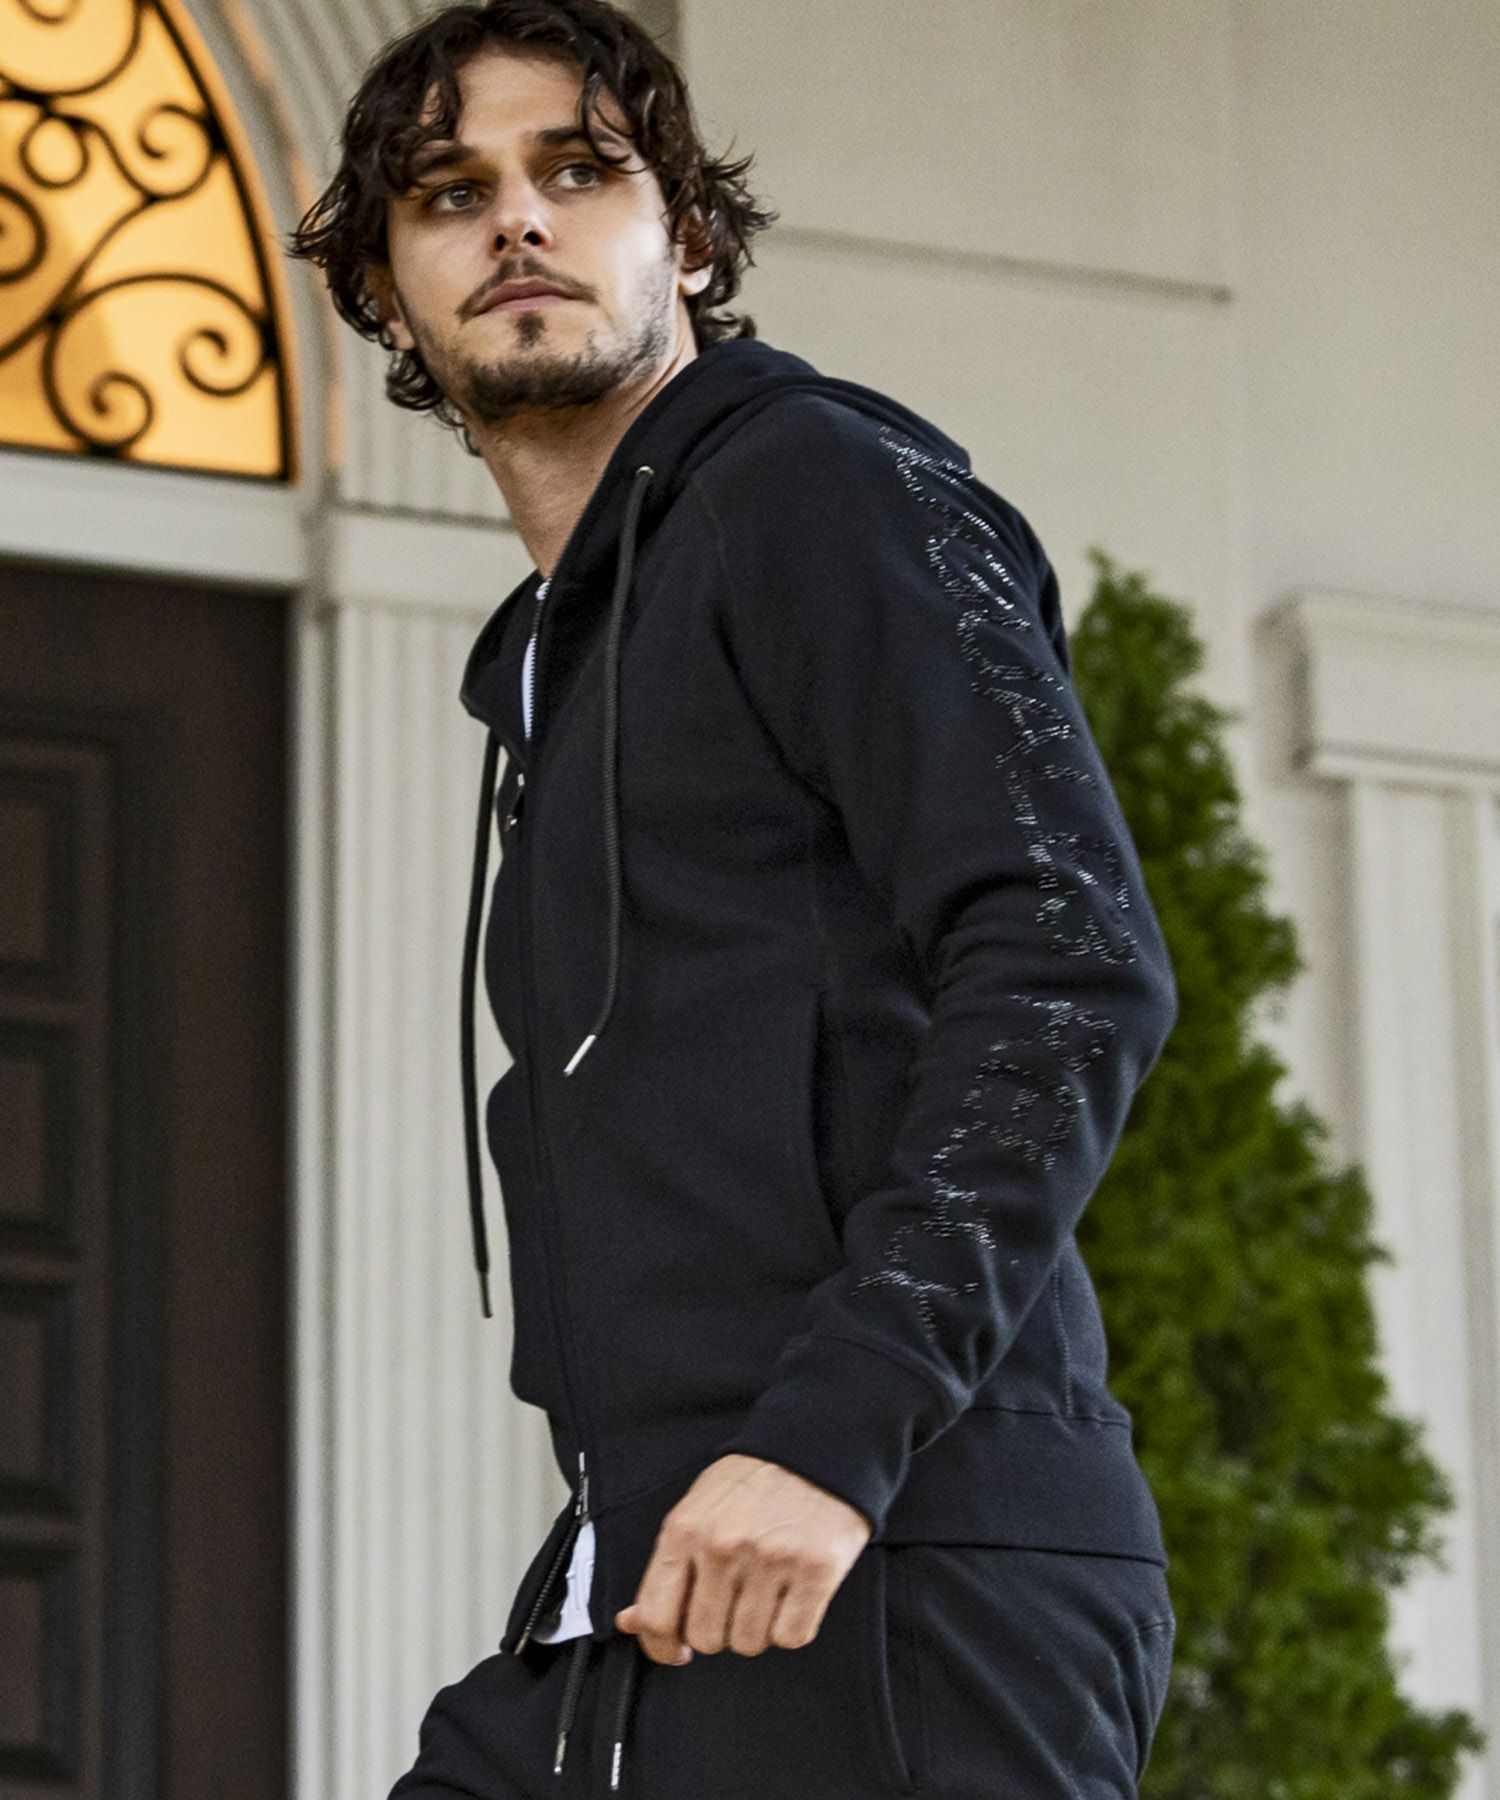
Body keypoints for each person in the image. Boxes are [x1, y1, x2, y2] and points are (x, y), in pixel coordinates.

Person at [288, 2, 1181, 1793]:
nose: (519, 218)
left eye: (580, 170)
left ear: (688, 235)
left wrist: (837, 1438)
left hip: (900, 1553)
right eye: (451, 193)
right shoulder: (563, 657)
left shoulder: (822, 489)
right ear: (385, 294)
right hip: (660, 1570)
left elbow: (1069, 955)